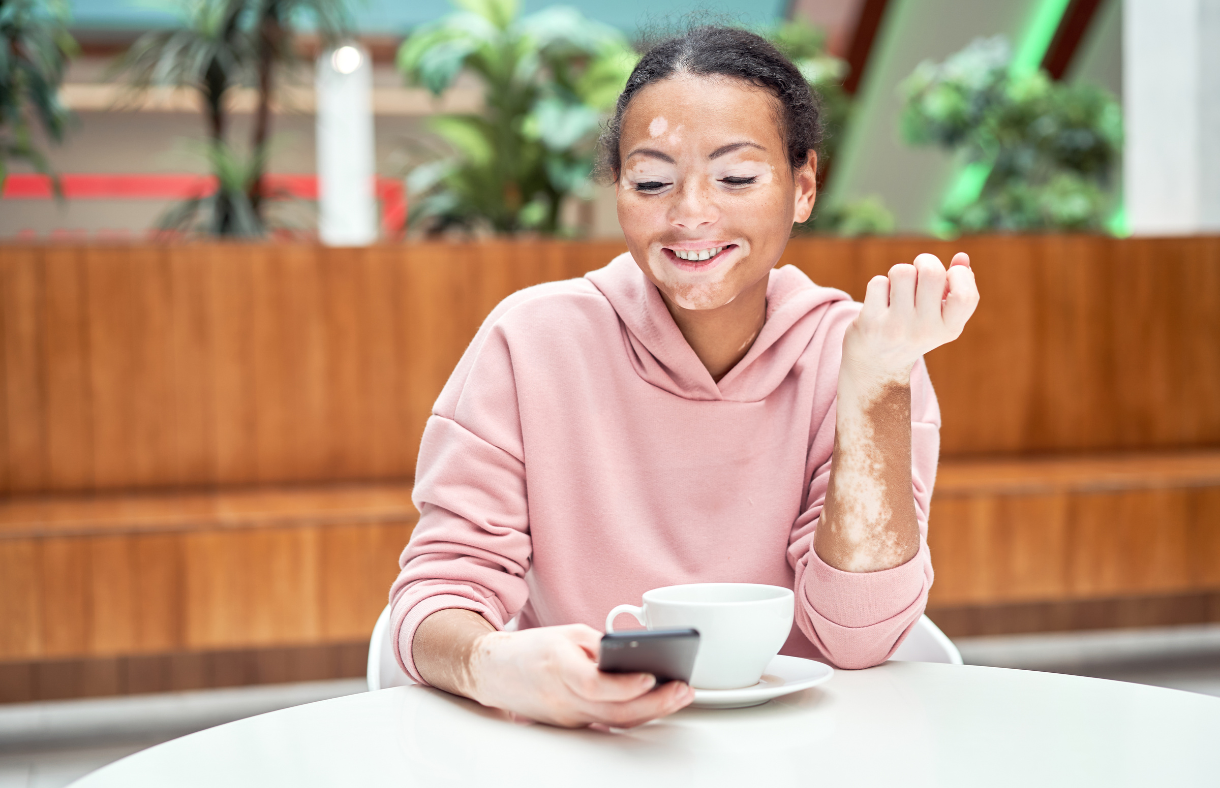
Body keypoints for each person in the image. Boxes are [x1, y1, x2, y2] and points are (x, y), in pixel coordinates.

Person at [389, 26, 979, 729]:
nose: (691, 213)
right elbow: (437, 595)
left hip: (810, 751)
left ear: (804, 186)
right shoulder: (532, 343)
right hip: (587, 749)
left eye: (736, 177)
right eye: (652, 182)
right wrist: (494, 664)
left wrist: (876, 383)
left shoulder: (858, 352)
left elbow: (861, 636)